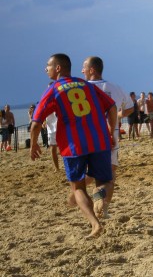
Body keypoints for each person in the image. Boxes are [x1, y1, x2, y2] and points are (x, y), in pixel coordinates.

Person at [30, 53, 117, 238]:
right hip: (99, 140)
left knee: (77, 188)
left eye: (48, 65)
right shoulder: (86, 84)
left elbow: (36, 122)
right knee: (105, 182)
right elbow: (112, 107)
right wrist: (111, 130)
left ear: (58, 68)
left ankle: (95, 225)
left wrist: (34, 144)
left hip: (73, 145)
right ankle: (100, 196)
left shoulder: (54, 89)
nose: (46, 69)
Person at [81, 56, 134, 218]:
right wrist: (117, 115)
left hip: (86, 136)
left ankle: (79, 194)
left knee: (90, 173)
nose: (82, 70)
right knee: (109, 177)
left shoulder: (81, 88)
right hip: (109, 136)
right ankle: (103, 207)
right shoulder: (115, 88)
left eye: (84, 67)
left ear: (92, 70)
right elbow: (131, 108)